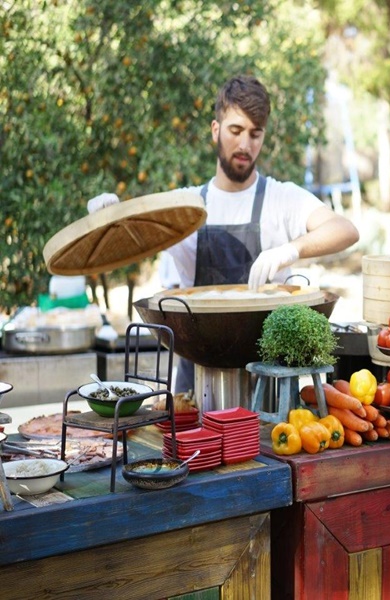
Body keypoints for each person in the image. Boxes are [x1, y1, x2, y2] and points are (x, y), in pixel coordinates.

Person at [88, 75, 360, 391]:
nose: (245, 145)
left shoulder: (281, 198)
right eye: (235, 131)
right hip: (196, 381)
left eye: (255, 134)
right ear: (216, 130)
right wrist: (112, 211)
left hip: (267, 380)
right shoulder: (184, 208)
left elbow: (345, 229)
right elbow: (135, 237)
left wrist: (290, 249)